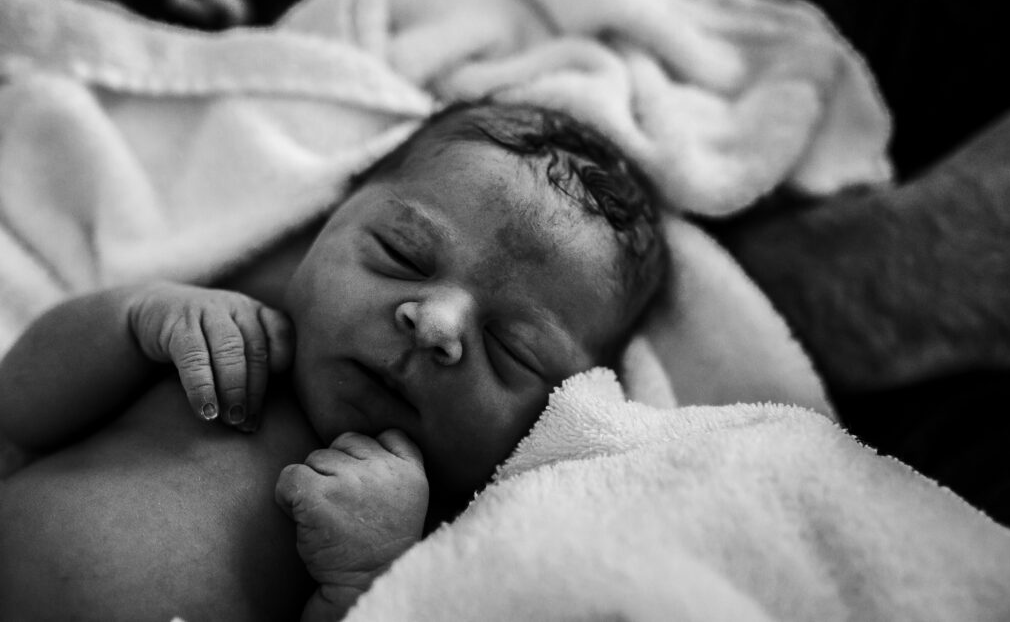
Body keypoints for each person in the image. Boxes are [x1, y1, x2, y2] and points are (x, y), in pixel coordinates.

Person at [0, 100, 669, 622]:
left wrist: (369, 579)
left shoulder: (439, 532)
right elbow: (18, 413)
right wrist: (137, 317)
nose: (435, 324)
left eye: (513, 347)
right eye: (402, 255)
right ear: (327, 218)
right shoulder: (214, 333)